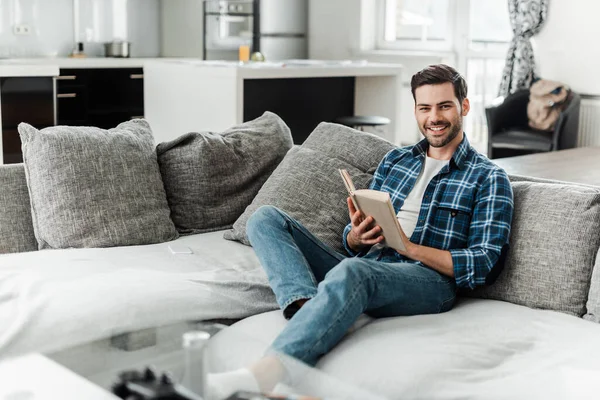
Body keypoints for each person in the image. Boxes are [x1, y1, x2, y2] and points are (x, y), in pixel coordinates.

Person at [207, 64, 514, 399]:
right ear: (415, 110)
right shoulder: (396, 161)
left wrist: (409, 248)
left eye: (444, 106)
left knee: (357, 271)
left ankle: (267, 373)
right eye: (425, 108)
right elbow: (353, 245)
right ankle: (310, 310)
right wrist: (355, 236)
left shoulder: (487, 177)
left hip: (429, 281)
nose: (434, 117)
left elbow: (484, 263)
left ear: (464, 107)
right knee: (265, 218)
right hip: (372, 264)